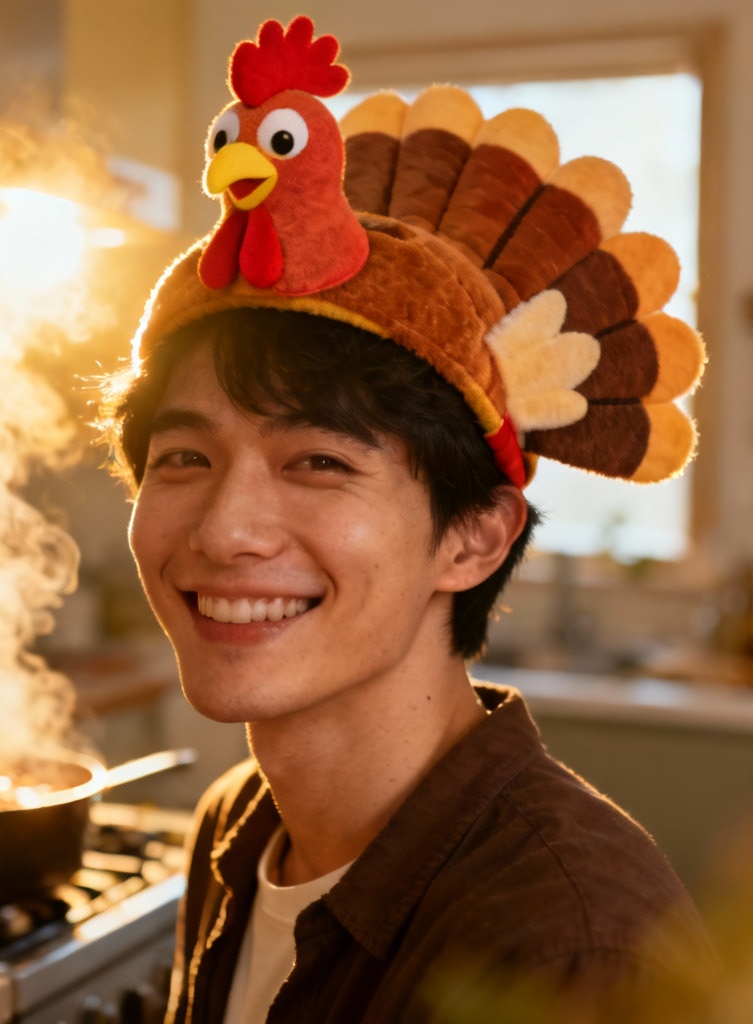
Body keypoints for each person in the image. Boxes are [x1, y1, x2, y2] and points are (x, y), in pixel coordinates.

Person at [100, 15, 716, 1024]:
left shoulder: (565, 941)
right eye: (183, 457)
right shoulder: (239, 827)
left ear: (474, 536)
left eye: (318, 462)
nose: (224, 529)